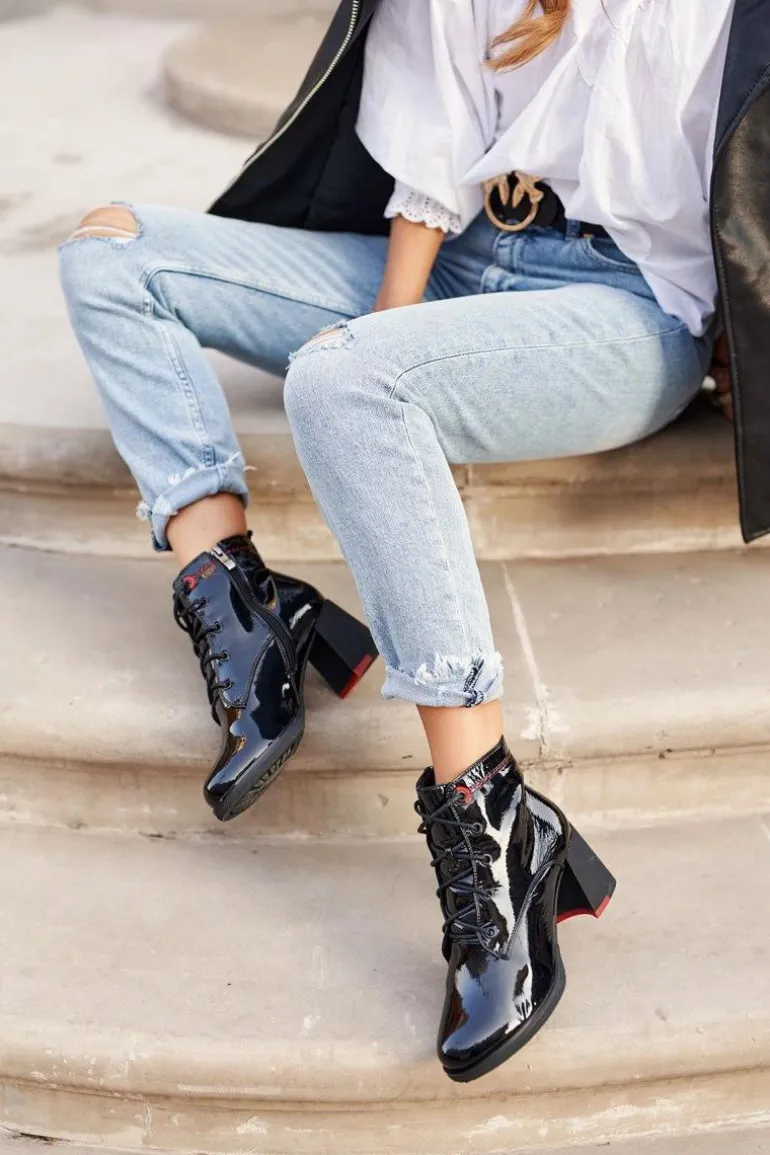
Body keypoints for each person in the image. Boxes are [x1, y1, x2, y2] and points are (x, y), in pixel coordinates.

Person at [59, 0, 769, 1083]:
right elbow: (432, 149)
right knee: (112, 253)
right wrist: (384, 335)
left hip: (623, 306)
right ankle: (246, 601)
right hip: (461, 260)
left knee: (342, 380)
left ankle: (491, 811)